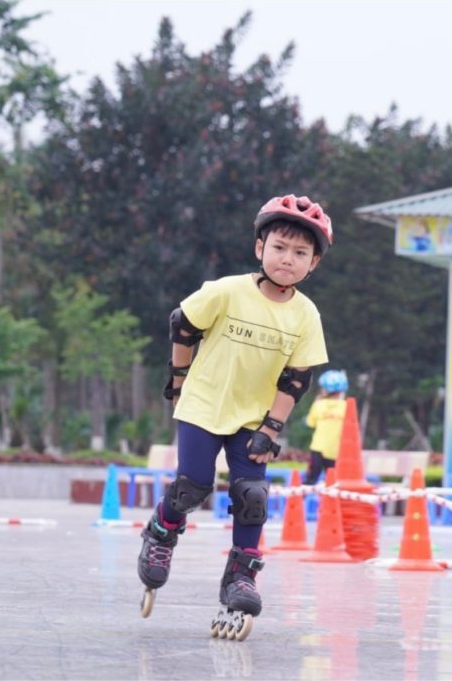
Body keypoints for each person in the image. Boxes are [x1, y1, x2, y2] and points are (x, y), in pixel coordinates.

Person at [137, 194, 332, 636]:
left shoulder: (306, 315)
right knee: (193, 485)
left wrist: (272, 426)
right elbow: (182, 325)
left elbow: (296, 379)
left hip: (254, 417)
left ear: (313, 264)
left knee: (252, 496)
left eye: (300, 253)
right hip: (205, 404)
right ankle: (161, 533)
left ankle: (241, 577)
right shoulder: (226, 290)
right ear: (260, 247)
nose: (288, 259)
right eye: (280, 247)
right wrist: (179, 379)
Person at [303, 370, 349, 484]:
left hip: (318, 449)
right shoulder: (346, 406)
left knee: (311, 480)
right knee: (333, 482)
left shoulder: (318, 405)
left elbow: (310, 423)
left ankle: (303, 500)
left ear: (327, 389)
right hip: (338, 451)